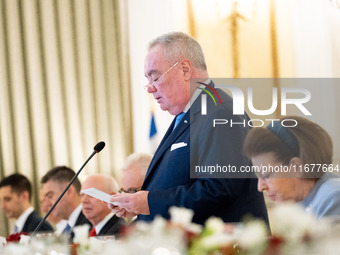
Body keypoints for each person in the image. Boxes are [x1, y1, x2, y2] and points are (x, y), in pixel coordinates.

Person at [109, 32, 268, 225]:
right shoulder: (188, 116)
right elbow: (175, 184)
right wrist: (138, 207)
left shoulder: (221, 112)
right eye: (148, 80)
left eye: (156, 77)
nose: (150, 88)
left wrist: (149, 202)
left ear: (185, 69)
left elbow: (218, 188)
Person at [243, 116, 340, 218]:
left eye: (266, 175)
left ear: (297, 167)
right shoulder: (297, 202)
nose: (260, 187)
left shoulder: (333, 198)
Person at [40, 166, 91, 235]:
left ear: (68, 191)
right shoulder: (67, 227)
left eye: (50, 196)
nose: (47, 204)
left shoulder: (91, 223)